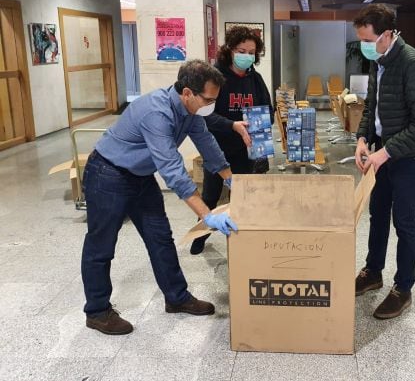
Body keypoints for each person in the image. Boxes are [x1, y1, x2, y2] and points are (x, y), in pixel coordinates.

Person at [81, 59, 238, 336]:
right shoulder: (157, 112)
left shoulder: (190, 112)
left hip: (140, 177)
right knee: (101, 245)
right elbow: (172, 169)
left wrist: (230, 178)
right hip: (107, 174)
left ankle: (177, 298)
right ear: (187, 92)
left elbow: (207, 143)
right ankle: (97, 311)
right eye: (208, 99)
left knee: (160, 238)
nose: (210, 104)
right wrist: (207, 214)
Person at [353, 4, 415, 319]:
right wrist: (362, 139)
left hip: (408, 153)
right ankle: (373, 272)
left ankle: (403, 289)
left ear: (387, 34)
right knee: (377, 214)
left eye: (367, 39)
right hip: (382, 150)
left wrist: (384, 152)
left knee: (403, 221)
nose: (364, 46)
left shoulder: (412, 63)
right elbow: (371, 107)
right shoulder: (379, 60)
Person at [190, 26, 272, 255]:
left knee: (243, 196)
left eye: (251, 52)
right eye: (241, 50)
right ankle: (201, 235)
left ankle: (241, 237)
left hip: (245, 150)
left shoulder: (255, 79)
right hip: (217, 148)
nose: (247, 55)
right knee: (211, 195)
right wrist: (232, 125)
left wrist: (259, 124)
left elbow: (268, 108)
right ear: (230, 50)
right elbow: (204, 114)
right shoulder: (216, 76)